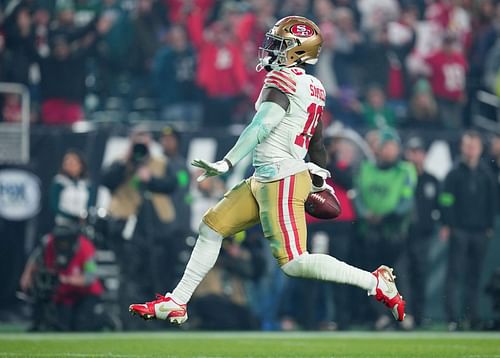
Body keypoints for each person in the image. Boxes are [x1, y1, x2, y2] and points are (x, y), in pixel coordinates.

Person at [129, 16, 406, 325]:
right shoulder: (314, 87)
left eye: (280, 44)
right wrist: (320, 176)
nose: (271, 49)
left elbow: (260, 126)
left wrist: (227, 162)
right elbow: (317, 141)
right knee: (211, 227)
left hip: (281, 177)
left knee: (294, 262)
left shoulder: (282, 81)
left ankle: (376, 282)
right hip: (267, 176)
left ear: (298, 51)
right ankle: (177, 301)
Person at [354, 129, 416, 329]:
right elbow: (357, 196)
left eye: (393, 147)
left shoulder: (406, 170)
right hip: (371, 232)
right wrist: (365, 214)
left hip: (395, 231)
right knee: (373, 276)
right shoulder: (365, 168)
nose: (390, 151)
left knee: (400, 275)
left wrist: (386, 216)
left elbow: (407, 200)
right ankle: (379, 316)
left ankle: (403, 314)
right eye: (386, 147)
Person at [440, 130, 497, 331]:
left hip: (480, 231)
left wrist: (489, 226)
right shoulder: (454, 173)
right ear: (462, 148)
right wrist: (448, 224)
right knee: (455, 275)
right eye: (468, 145)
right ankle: (453, 318)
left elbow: (492, 202)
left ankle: (471, 316)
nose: (471, 150)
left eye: (474, 146)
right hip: (459, 230)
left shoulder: (487, 175)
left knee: (475, 276)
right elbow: (446, 200)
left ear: (480, 149)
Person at [19, 224, 104, 331]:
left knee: (81, 326)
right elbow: (34, 258)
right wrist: (26, 276)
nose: (62, 244)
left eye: (65, 241)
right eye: (60, 241)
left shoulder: (86, 249)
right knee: (62, 325)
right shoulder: (48, 243)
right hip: (64, 295)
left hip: (85, 293)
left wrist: (66, 279)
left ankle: (103, 319)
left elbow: (90, 277)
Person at [404, 136, 440, 328]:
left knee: (420, 275)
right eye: (412, 152)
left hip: (423, 235)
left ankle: (419, 315)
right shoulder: (401, 177)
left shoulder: (431, 180)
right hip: (402, 235)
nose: (415, 156)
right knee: (402, 276)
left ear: (424, 155)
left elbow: (441, 204)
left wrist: (441, 223)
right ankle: (404, 315)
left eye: (418, 152)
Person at [50, 149, 91, 226]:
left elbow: (89, 204)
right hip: (63, 224)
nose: (70, 165)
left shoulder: (85, 184)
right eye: (67, 162)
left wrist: (85, 216)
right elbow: (54, 206)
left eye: (73, 162)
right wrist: (73, 217)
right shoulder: (59, 181)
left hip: (82, 224)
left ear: (81, 165)